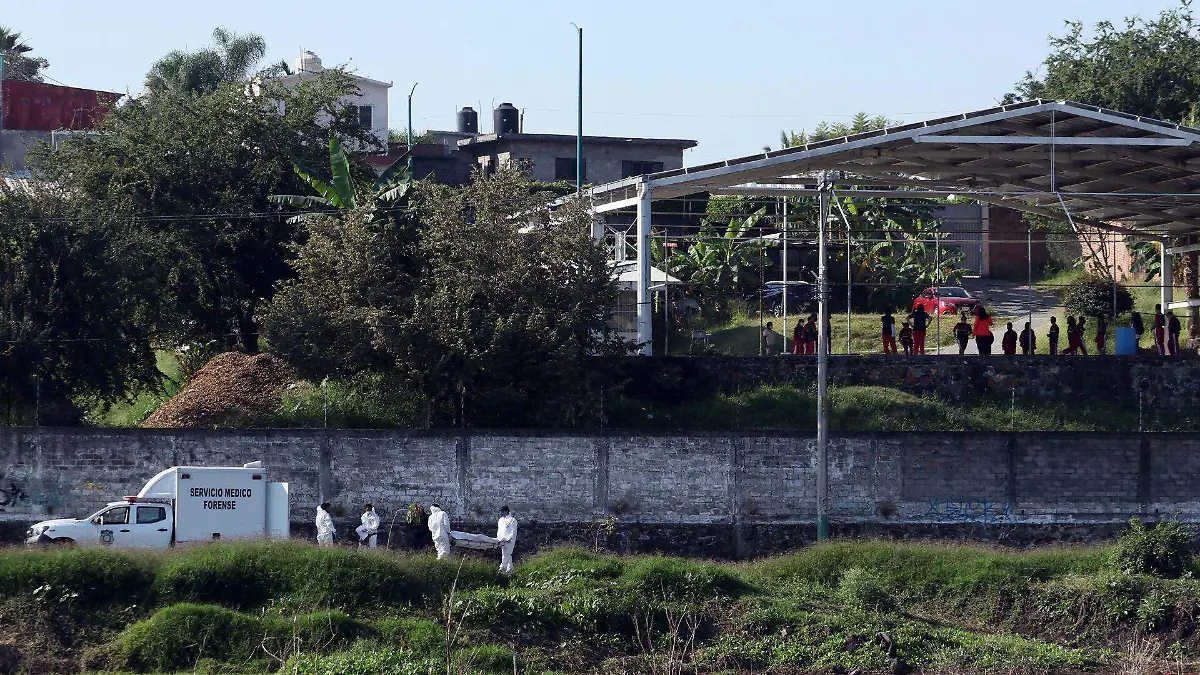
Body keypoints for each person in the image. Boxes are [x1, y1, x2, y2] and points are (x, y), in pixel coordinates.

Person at [496, 505, 519, 575]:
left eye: (502, 512)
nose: (501, 513)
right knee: (505, 553)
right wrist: (498, 538)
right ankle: (510, 569)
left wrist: (510, 538)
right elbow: (499, 530)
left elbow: (513, 531)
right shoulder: (500, 520)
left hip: (509, 540)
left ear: (506, 511)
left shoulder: (513, 520)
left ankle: (502, 568)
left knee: (507, 554)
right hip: (501, 540)